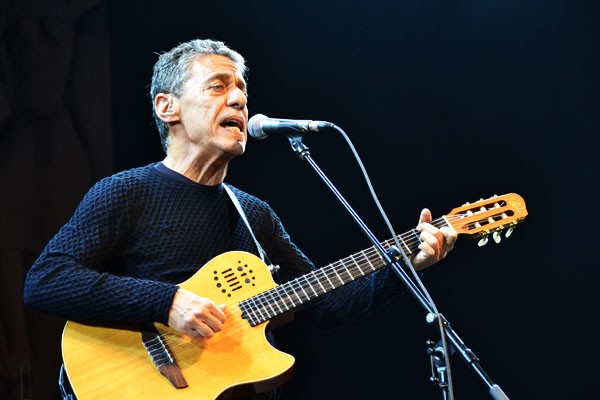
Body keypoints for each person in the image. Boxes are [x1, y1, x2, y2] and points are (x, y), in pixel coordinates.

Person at [23, 38, 457, 400]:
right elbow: (47, 280)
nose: (238, 98)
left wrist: (408, 265)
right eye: (218, 86)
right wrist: (167, 303)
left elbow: (327, 306)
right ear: (167, 107)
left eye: (242, 90)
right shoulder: (127, 191)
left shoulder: (254, 214)